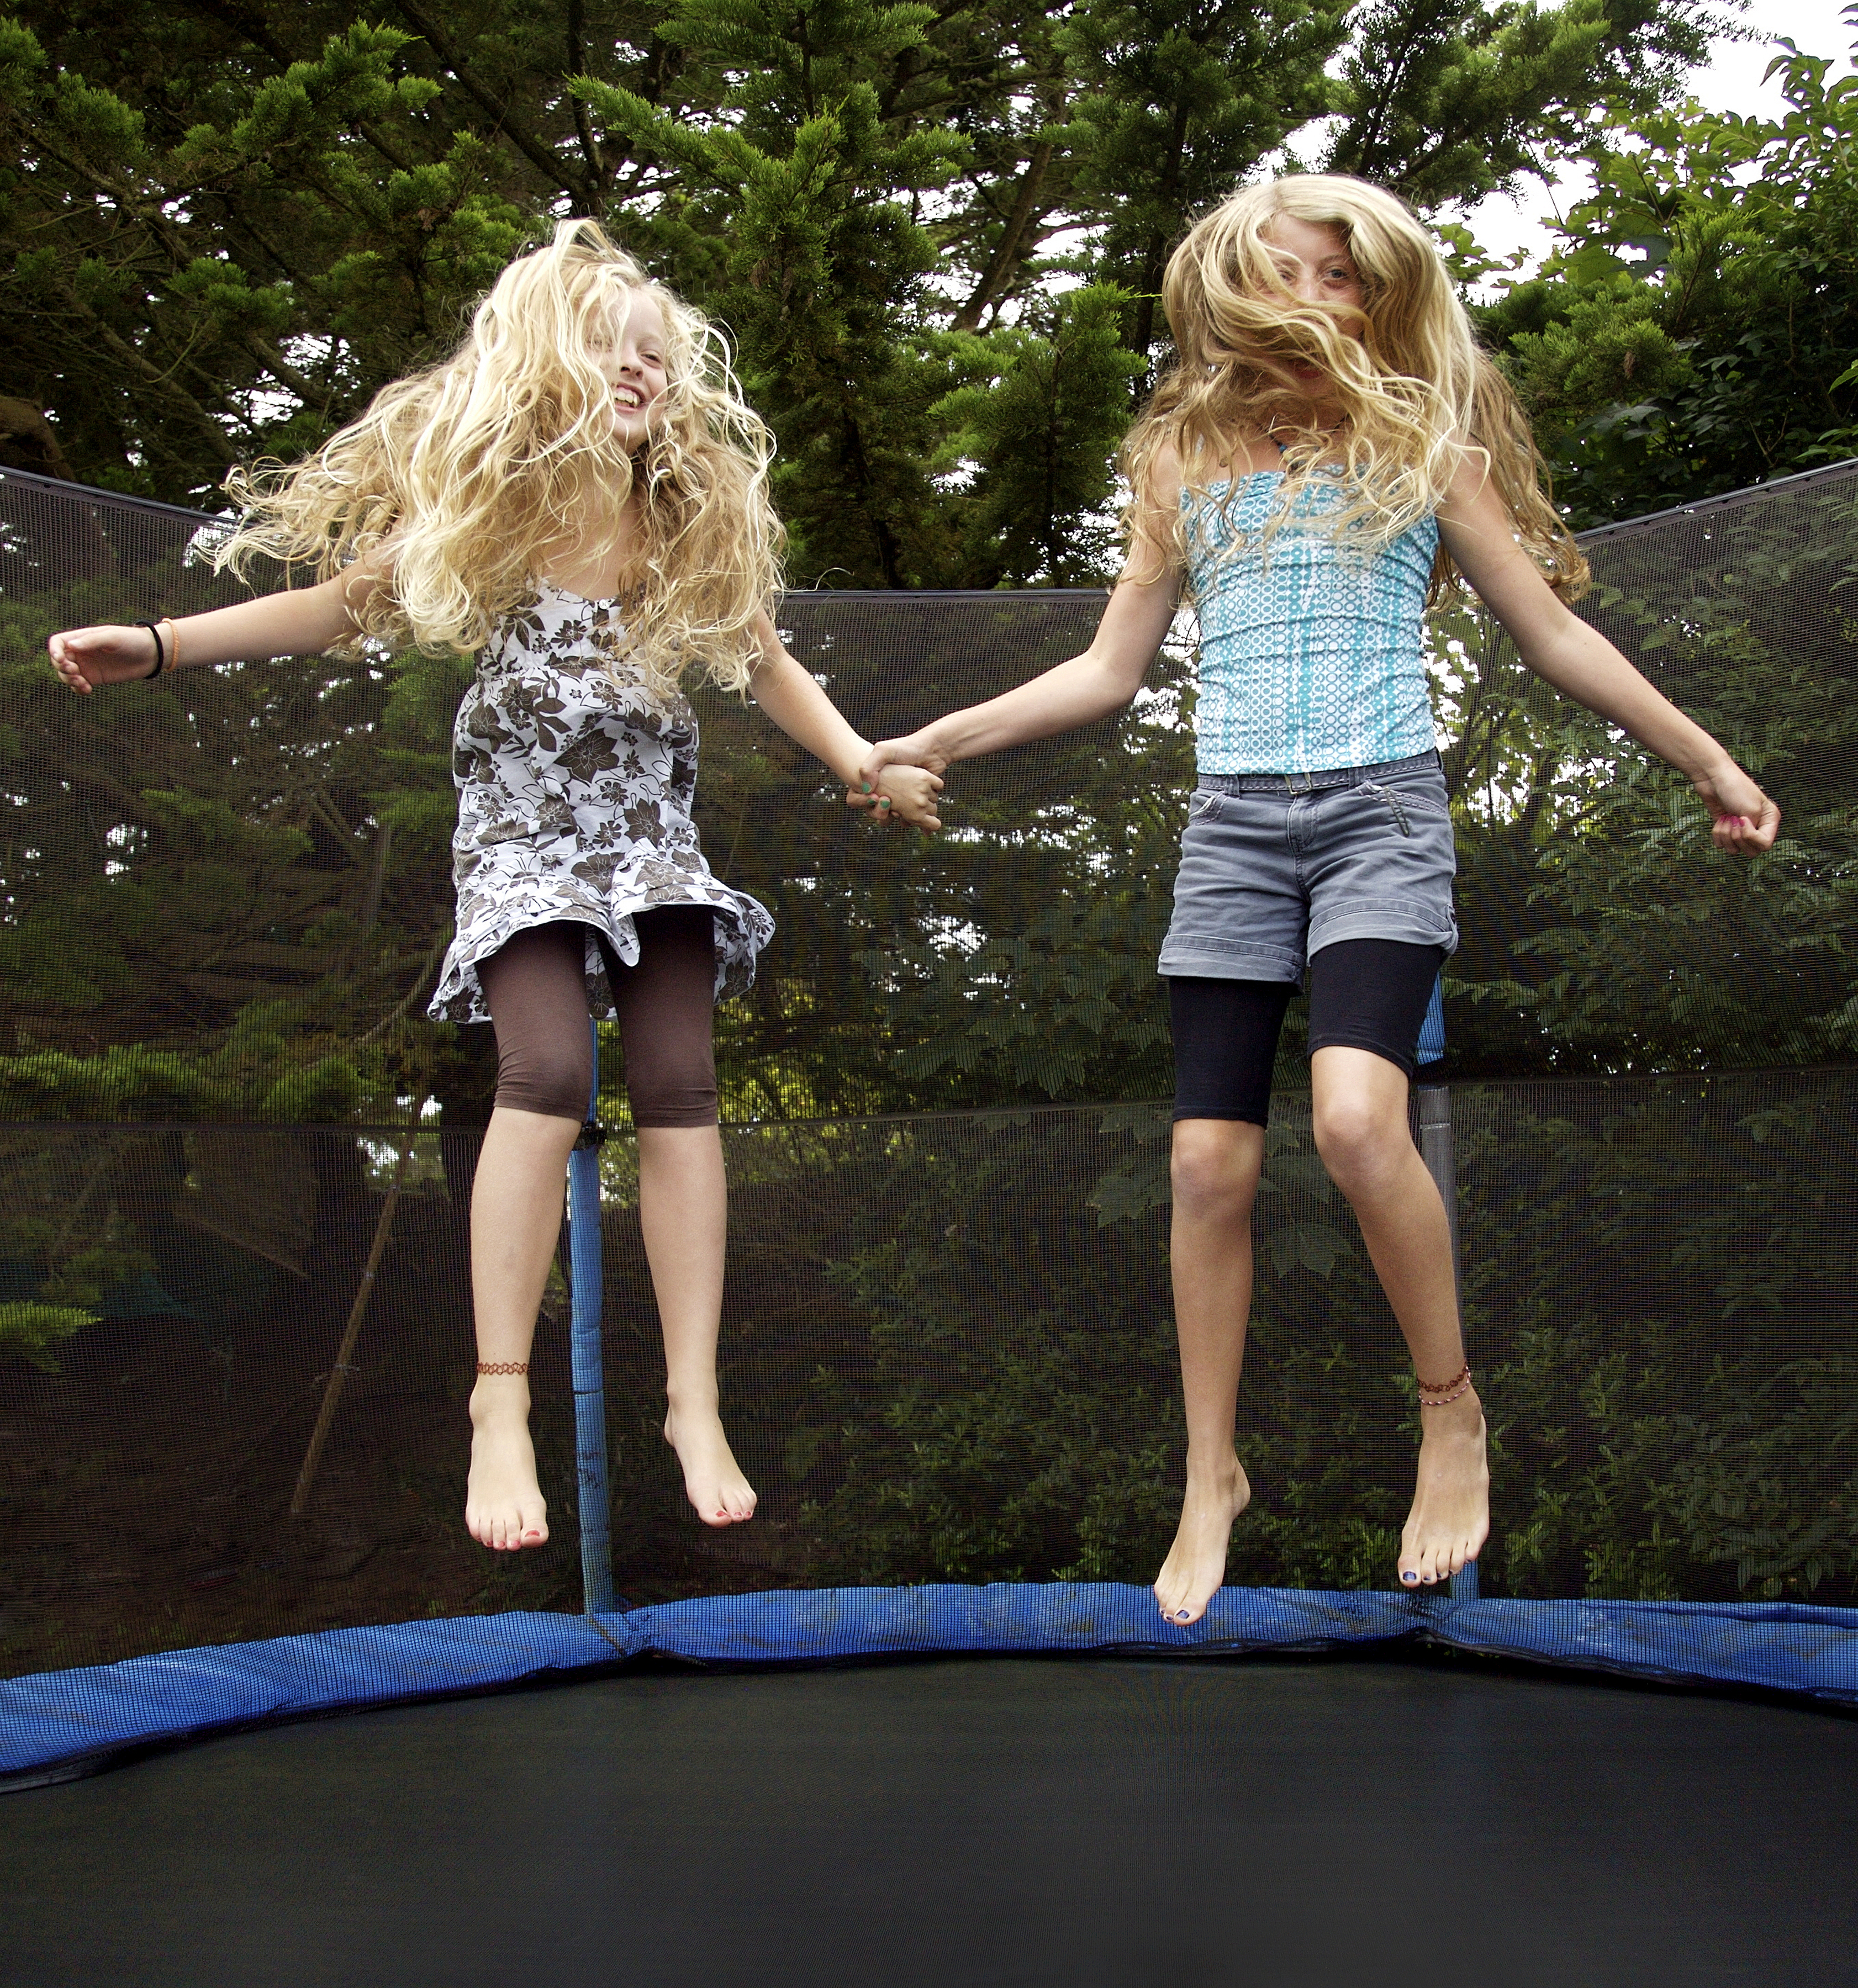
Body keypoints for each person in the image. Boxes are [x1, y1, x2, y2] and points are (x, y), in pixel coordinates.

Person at [852, 175, 1779, 1623]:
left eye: (1340, 280)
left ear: (1380, 300)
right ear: (1231, 282)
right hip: (1232, 830)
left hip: (1377, 815)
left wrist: (1706, 757)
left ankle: (1449, 1407)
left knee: (1355, 1117)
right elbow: (1107, 673)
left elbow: (1546, 632)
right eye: (1283, 270)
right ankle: (1209, 1471)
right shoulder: (1181, 459)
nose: (1308, 297)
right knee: (1205, 1167)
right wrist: (933, 738)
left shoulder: (1420, 442)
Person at [48, 219, 942, 1556]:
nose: (636, 372)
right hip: (525, 845)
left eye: (654, 356)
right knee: (546, 1079)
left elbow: (768, 666)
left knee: (684, 1094)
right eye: (605, 349)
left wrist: (862, 760)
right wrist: (163, 645)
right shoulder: (502, 511)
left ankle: (692, 1399)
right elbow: (344, 604)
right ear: (541, 365)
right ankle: (500, 1401)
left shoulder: (682, 526)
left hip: (648, 840)